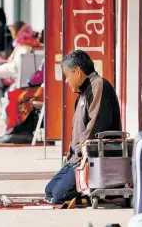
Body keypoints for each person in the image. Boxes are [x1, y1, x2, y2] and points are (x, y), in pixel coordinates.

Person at [44, 50, 122, 204]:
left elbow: (96, 126)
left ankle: (94, 197)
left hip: (92, 158)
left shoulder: (99, 85)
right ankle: (86, 191)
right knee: (49, 191)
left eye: (67, 76)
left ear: (78, 71)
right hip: (77, 158)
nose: (66, 81)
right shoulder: (84, 92)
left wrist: (79, 150)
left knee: (59, 196)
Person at [0, 21, 41, 104]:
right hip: (29, 77)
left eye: (12, 31)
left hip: (21, 77)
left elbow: (15, 68)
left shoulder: (23, 48)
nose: (11, 34)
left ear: (18, 31)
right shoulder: (31, 44)